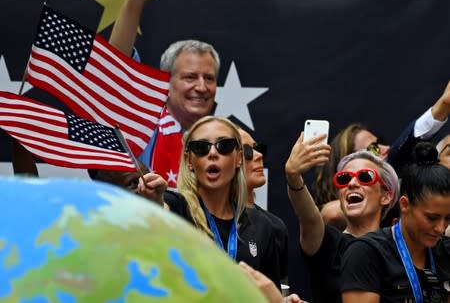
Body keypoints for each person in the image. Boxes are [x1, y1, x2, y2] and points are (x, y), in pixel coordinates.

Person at [138, 116, 281, 286]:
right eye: (201, 147)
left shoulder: (262, 226)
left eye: (224, 146)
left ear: (238, 159)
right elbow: (161, 211)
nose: (212, 153)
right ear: (189, 161)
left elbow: (270, 294)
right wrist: (153, 202)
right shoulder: (177, 206)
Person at [109, 0, 220, 187]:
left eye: (209, 78)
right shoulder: (143, 125)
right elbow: (116, 63)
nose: (202, 87)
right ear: (166, 83)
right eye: (190, 77)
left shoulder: (224, 141)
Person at [313, 82, 450, 230]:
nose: (386, 148)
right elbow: (331, 214)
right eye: (373, 148)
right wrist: (441, 106)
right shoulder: (333, 212)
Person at [285, 132, 399, 303]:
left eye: (365, 177)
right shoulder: (327, 242)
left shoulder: (399, 248)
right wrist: (293, 177)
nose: (352, 183)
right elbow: (308, 216)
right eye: (344, 179)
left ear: (386, 196)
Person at [341, 142, 450, 302]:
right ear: (404, 204)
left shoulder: (447, 251)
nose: (440, 228)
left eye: (448, 218)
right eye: (431, 218)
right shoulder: (366, 253)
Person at [238, 128, 290, 284]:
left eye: (258, 148)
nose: (259, 155)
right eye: (247, 151)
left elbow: (279, 290)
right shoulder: (192, 214)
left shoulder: (274, 227)